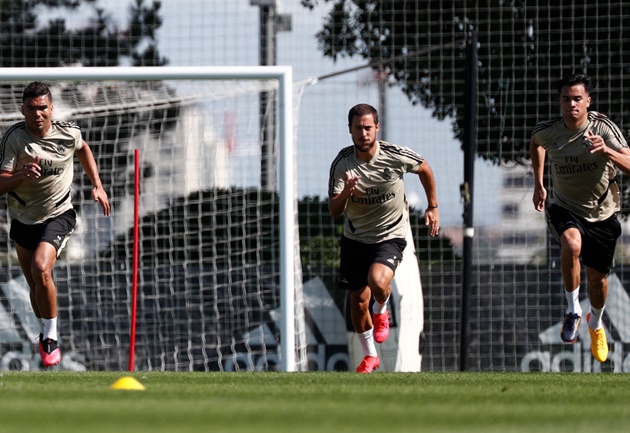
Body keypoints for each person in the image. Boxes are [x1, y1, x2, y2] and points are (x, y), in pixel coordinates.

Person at [0, 81, 111, 367]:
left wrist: (97, 185)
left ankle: (50, 338)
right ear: (23, 110)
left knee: (41, 268)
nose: (38, 114)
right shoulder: (14, 138)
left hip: (59, 214)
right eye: (32, 108)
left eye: (43, 108)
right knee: (34, 283)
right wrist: (21, 175)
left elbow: (83, 149)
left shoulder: (69, 133)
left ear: (52, 108)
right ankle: (43, 332)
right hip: (23, 218)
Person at [328, 103, 439, 373]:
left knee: (377, 282)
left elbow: (424, 168)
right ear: (350, 130)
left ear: (377, 127)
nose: (363, 133)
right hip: (355, 239)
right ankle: (370, 356)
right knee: (357, 301)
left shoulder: (394, 155)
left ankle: (382, 309)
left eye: (368, 127)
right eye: (358, 128)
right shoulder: (342, 163)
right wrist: (347, 193)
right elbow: (334, 211)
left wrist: (432, 206)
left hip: (390, 235)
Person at [531, 73, 630, 363]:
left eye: (577, 98)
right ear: (559, 102)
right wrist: (539, 182)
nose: (571, 104)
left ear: (588, 101)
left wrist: (607, 151)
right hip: (564, 207)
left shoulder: (603, 128)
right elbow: (536, 142)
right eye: (566, 99)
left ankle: (595, 323)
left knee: (597, 282)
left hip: (603, 213)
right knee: (571, 245)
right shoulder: (549, 131)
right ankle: (573, 310)